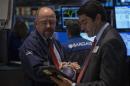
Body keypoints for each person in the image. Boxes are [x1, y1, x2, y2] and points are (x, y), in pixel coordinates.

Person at [51, 0, 129, 86]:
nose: (82, 28)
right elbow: (98, 70)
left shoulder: (110, 42)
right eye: (81, 24)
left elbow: (107, 83)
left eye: (85, 22)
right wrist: (80, 70)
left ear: (97, 18)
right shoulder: (101, 38)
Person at [19, 7, 80, 86]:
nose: (48, 26)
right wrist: (63, 69)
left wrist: (69, 65)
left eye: (52, 22)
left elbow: (61, 63)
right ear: (36, 23)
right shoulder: (30, 45)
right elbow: (38, 71)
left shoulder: (55, 42)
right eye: (44, 22)